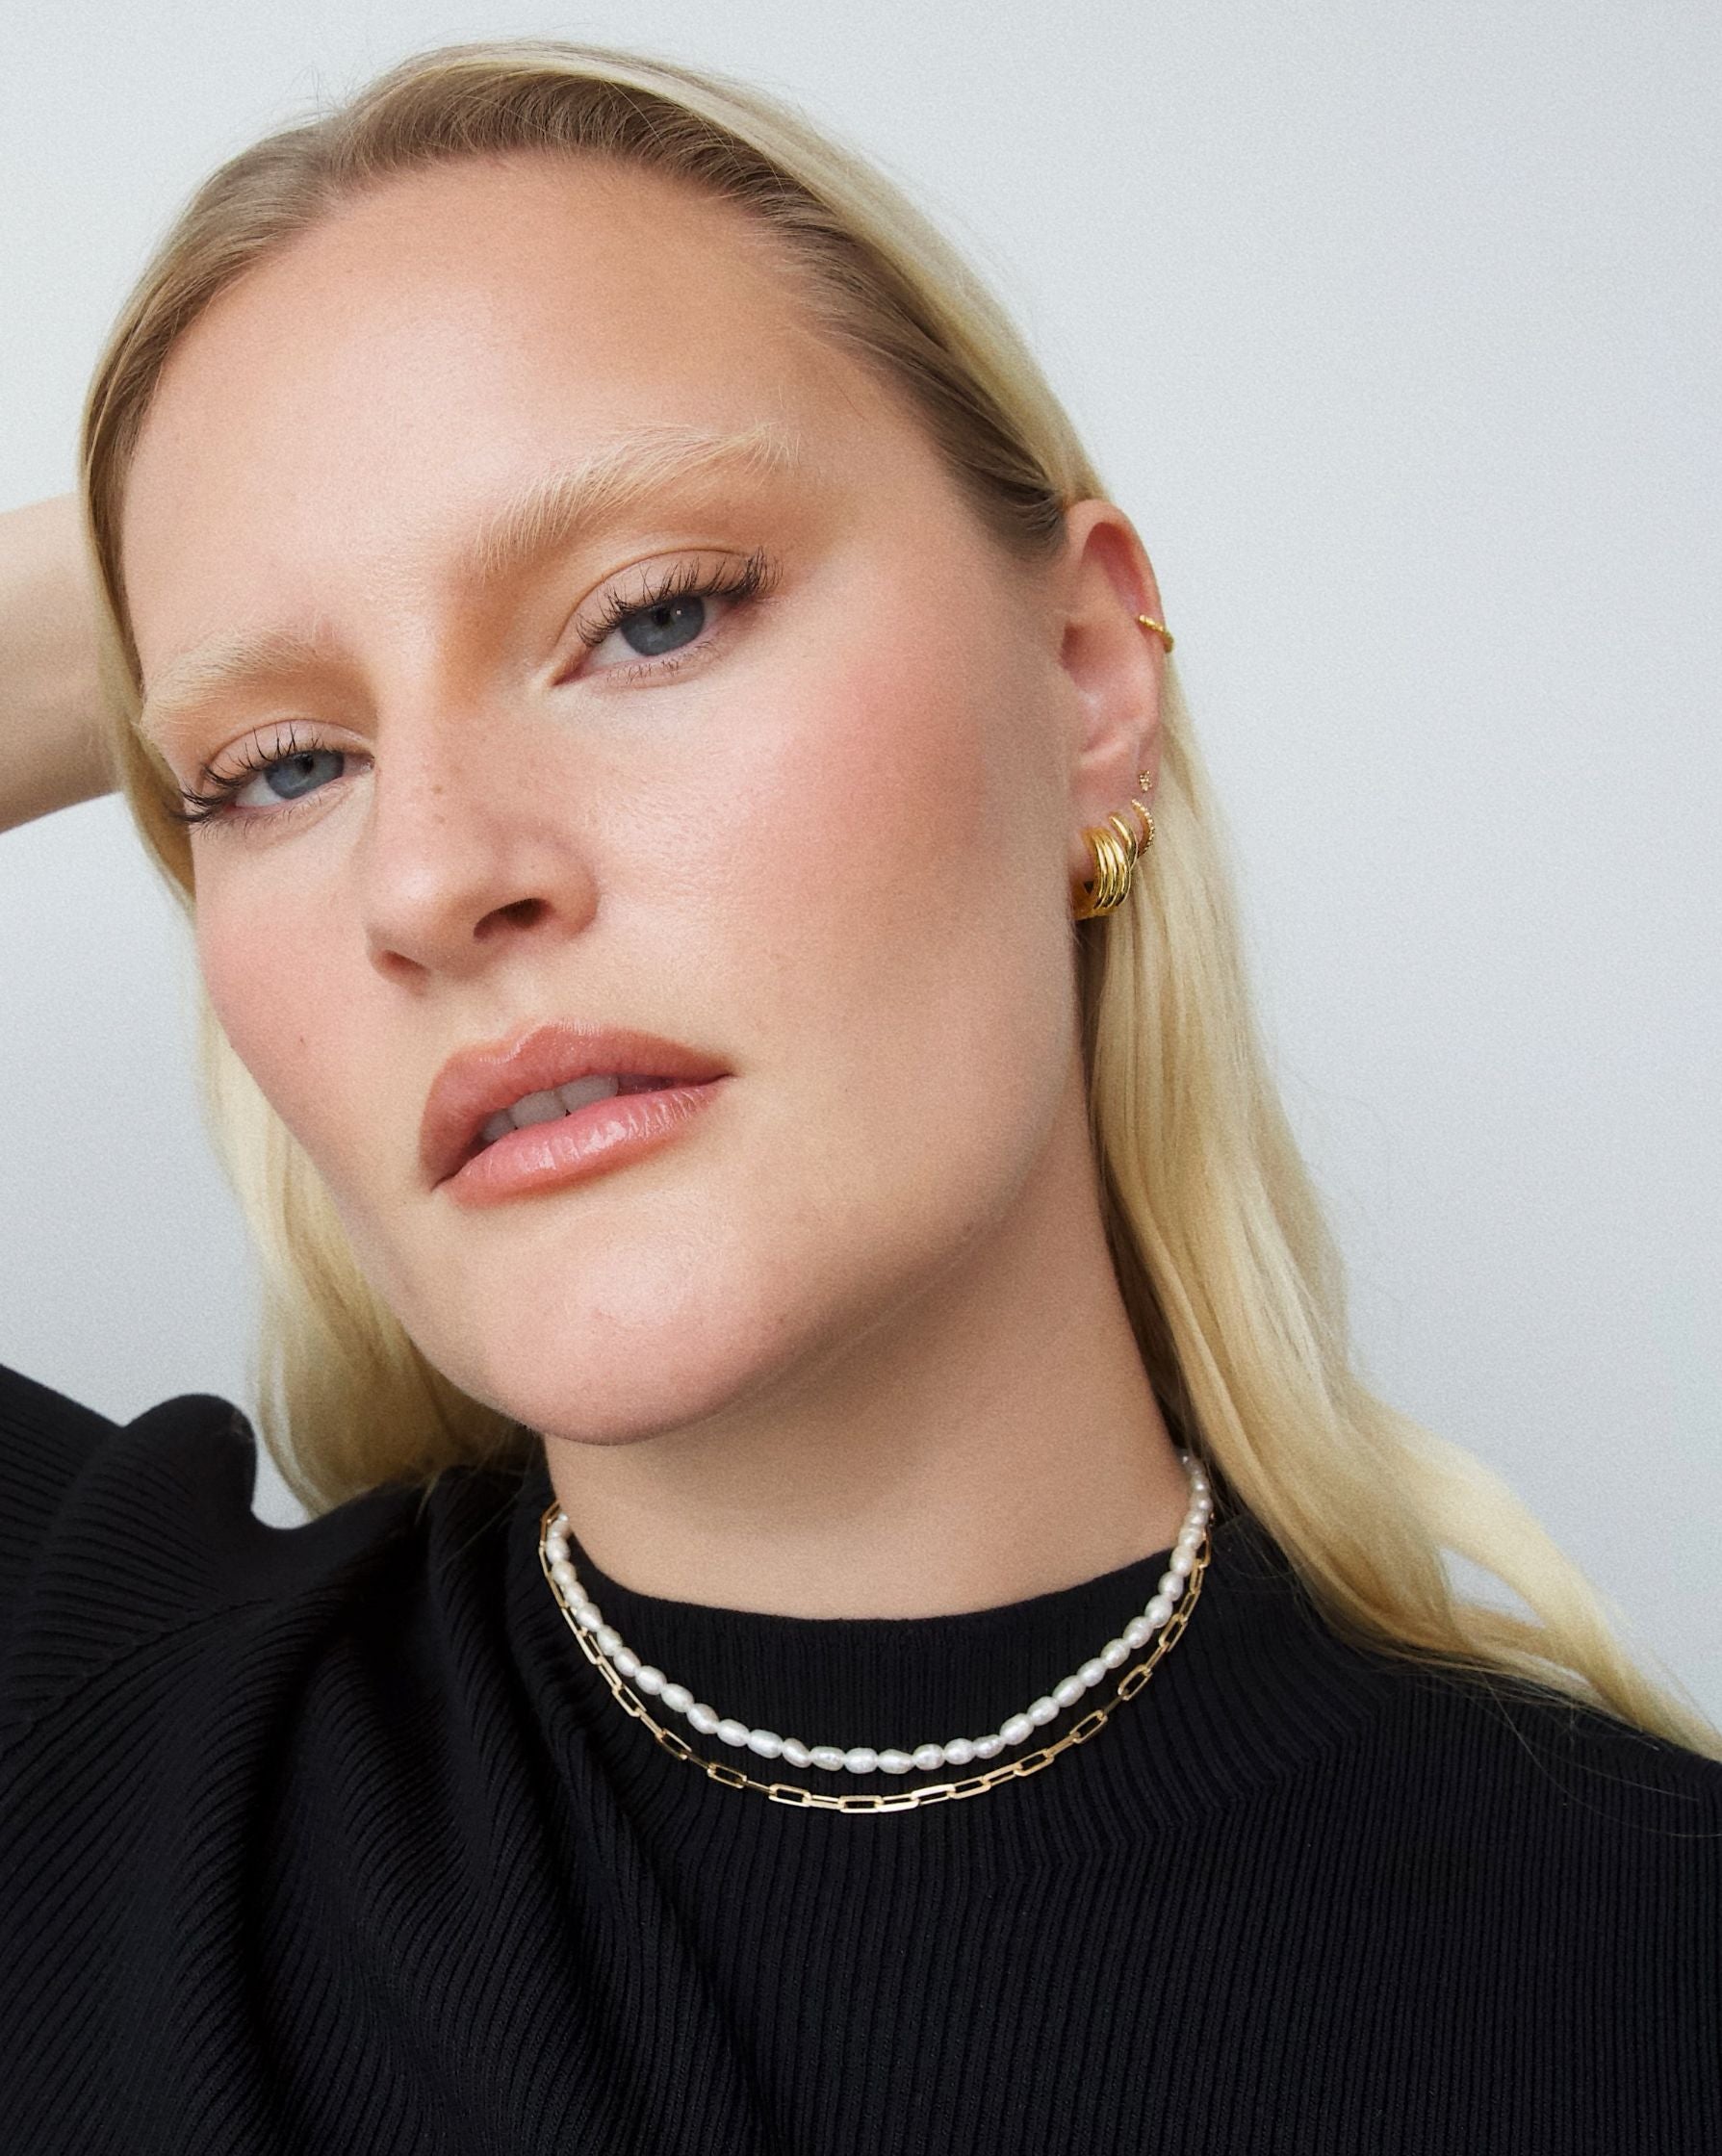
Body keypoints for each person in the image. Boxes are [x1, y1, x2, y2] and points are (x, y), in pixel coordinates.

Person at [1, 37, 1717, 2156]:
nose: (436, 876)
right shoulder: (83, 1752)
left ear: (1088, 677)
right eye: (277, 765)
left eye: (650, 616)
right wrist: (201, 529)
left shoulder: (1652, 1975)